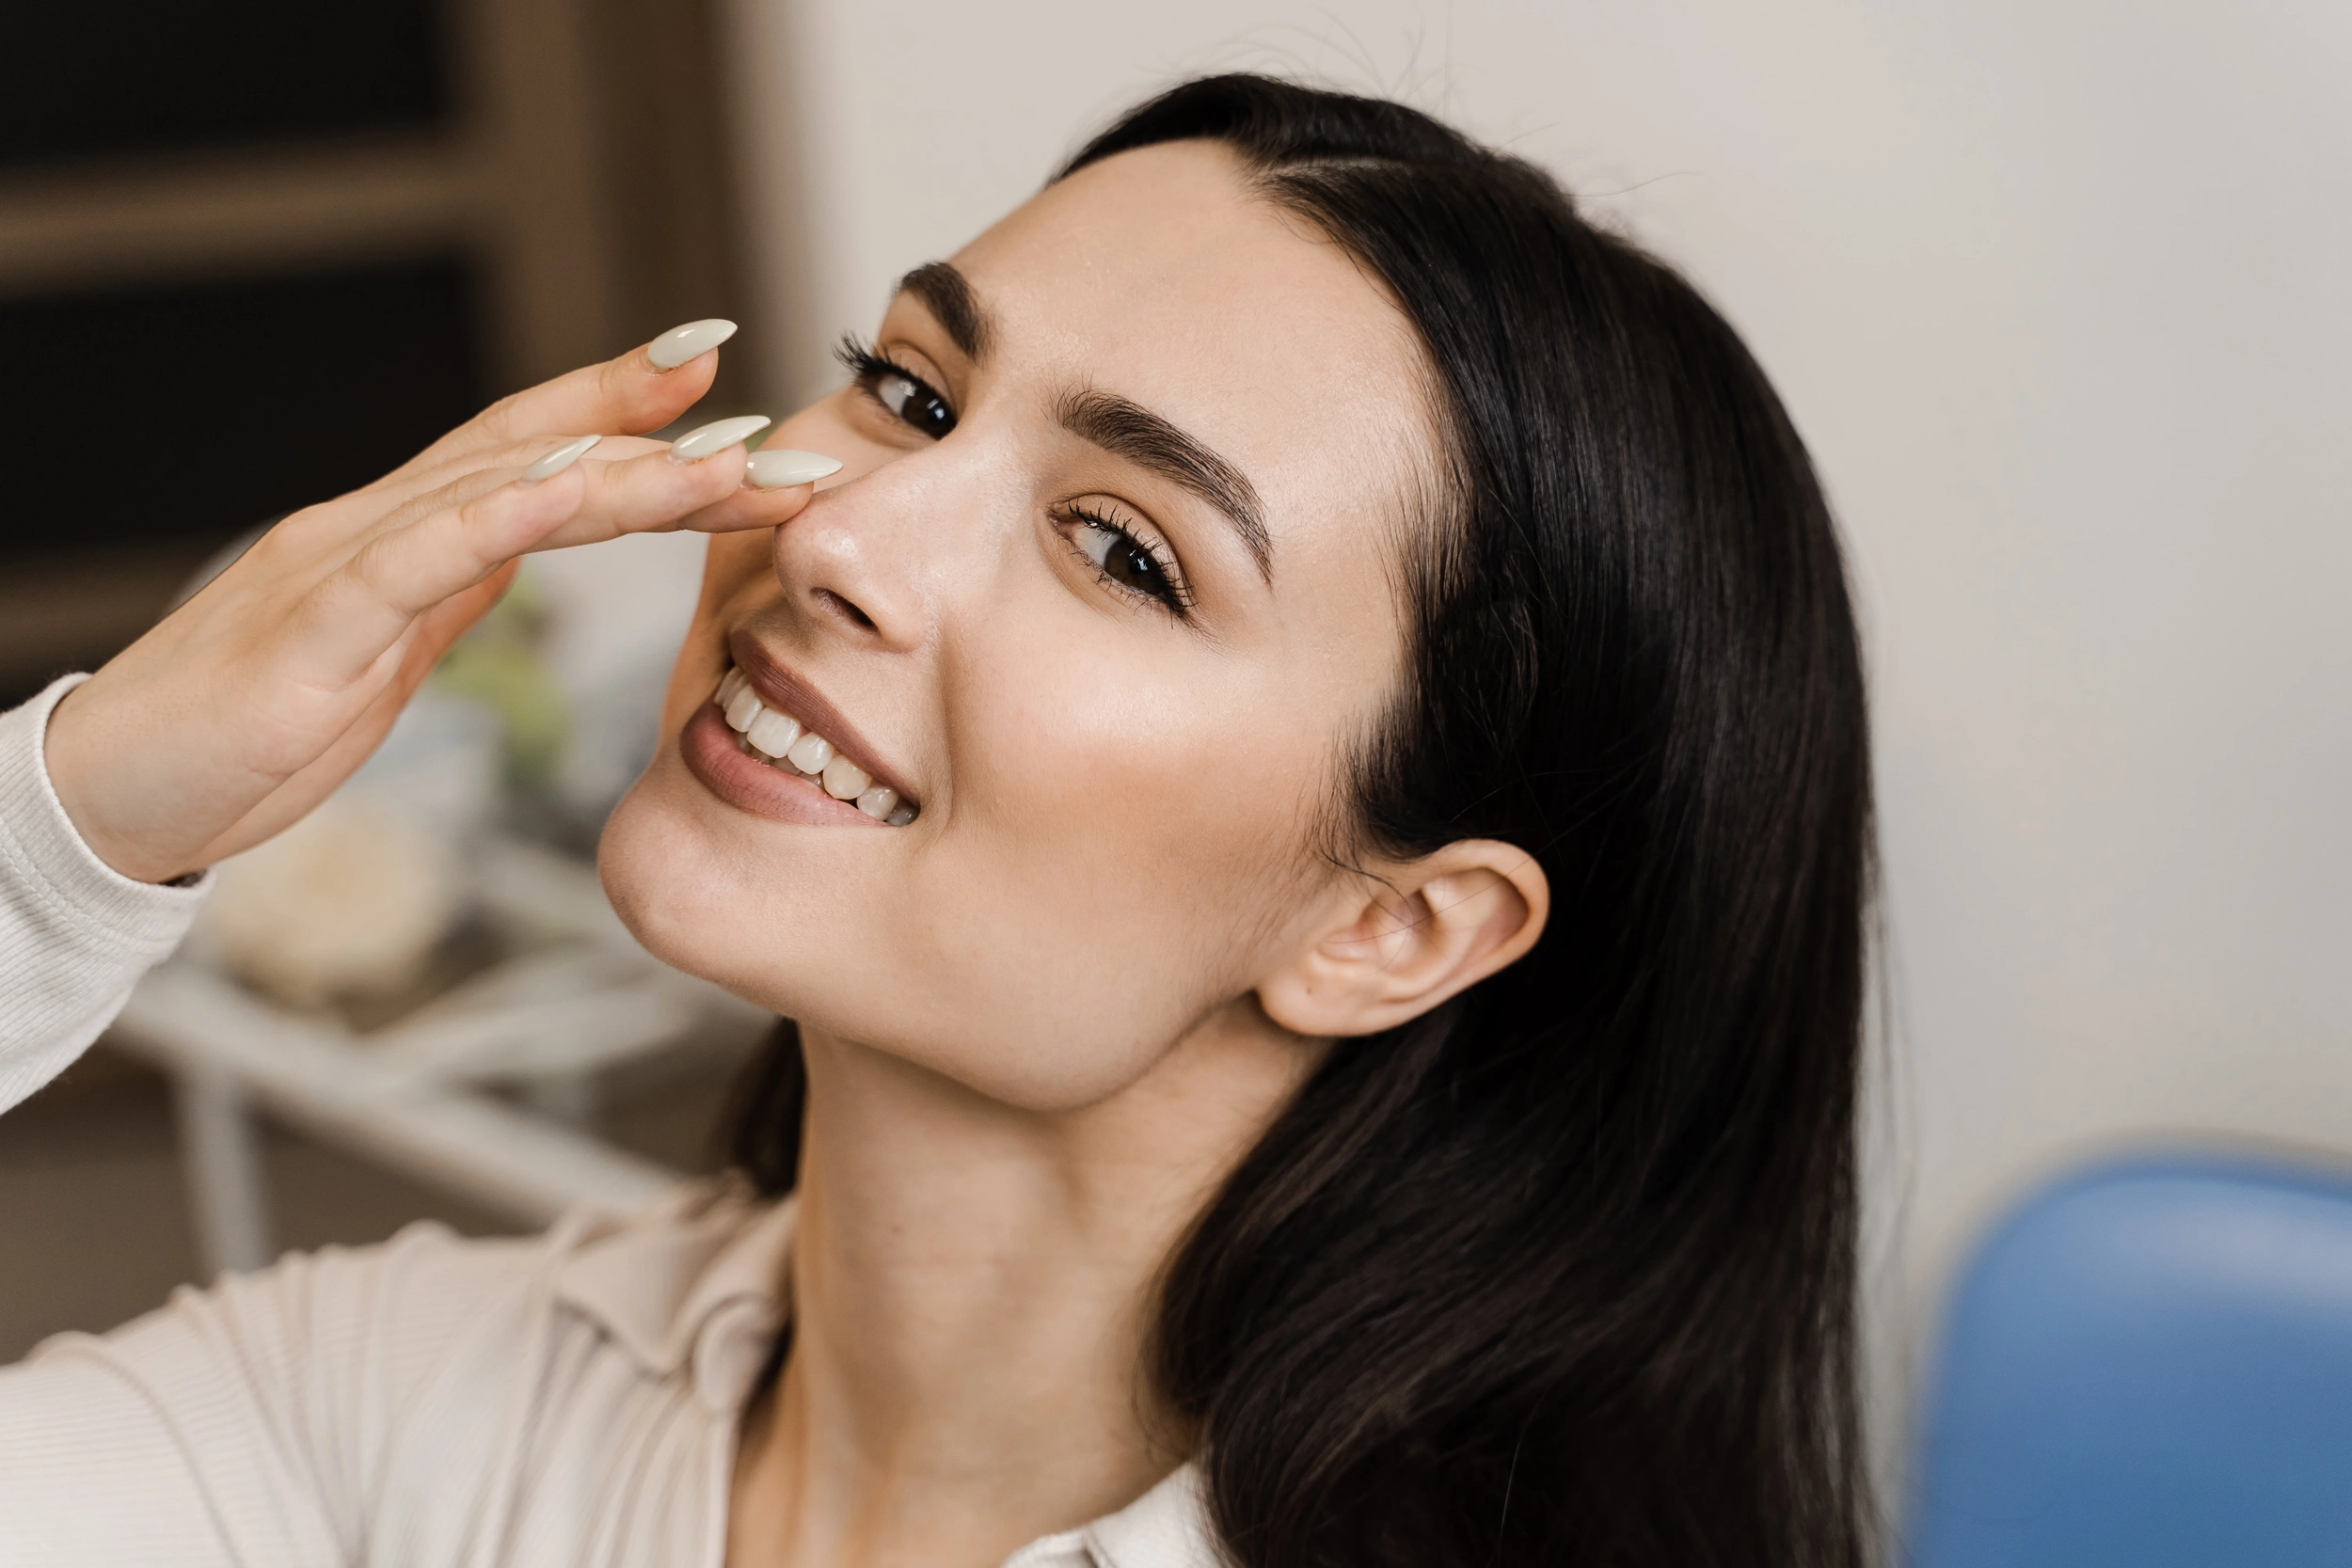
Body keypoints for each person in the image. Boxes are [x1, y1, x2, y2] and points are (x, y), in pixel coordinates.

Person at [0, 75, 1873, 1568]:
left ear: (1387, 925)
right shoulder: (392, 1410)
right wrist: (75, 820)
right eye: (910, 389)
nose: (837, 530)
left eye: (1124, 550)